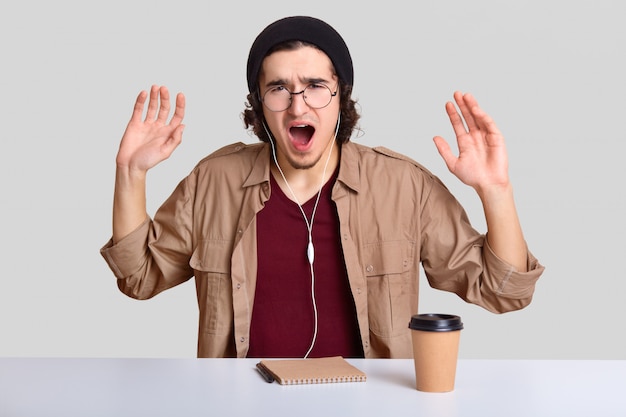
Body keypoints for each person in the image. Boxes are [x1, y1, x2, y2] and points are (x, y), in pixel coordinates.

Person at [100, 16, 544, 359]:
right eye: (279, 88)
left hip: (371, 407)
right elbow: (139, 277)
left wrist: (496, 190)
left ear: (340, 96)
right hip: (239, 404)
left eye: (316, 86)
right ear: (259, 102)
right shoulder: (214, 181)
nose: (298, 104)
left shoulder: (403, 185)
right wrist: (129, 173)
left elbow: (503, 291)